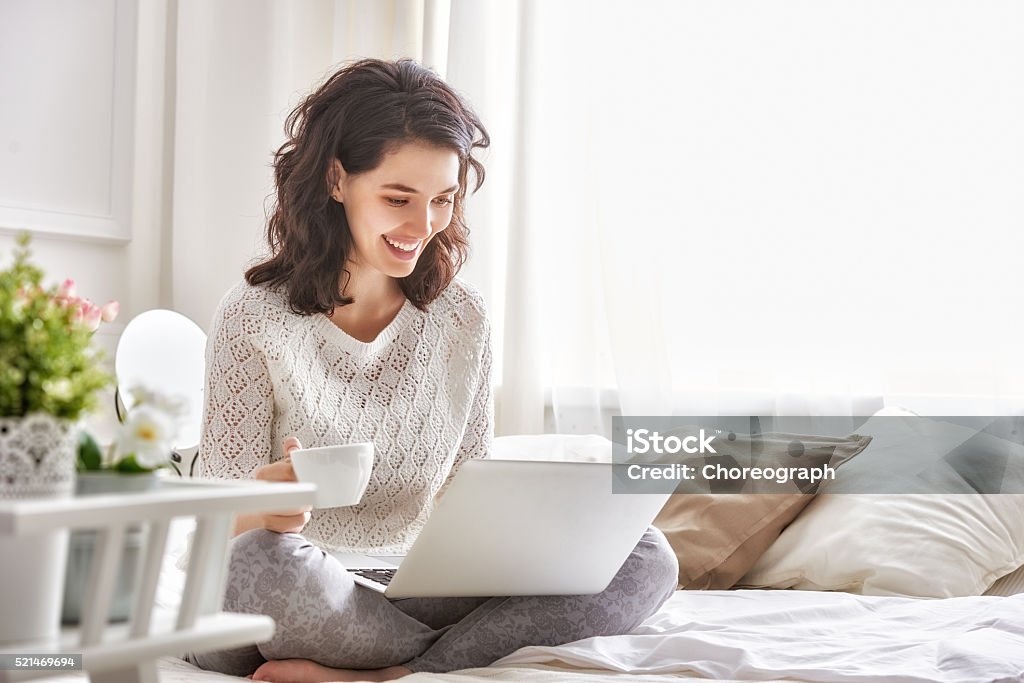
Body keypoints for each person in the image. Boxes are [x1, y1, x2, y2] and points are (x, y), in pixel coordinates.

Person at [189, 58, 678, 683]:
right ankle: (449, 656)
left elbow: (464, 498)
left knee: (646, 555)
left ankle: (384, 676)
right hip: (283, 588)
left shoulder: (462, 319)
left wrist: (528, 534)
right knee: (260, 565)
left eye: (442, 201)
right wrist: (268, 506)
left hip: (410, 587)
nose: (423, 227)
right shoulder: (254, 315)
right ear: (337, 179)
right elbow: (220, 530)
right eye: (398, 199)